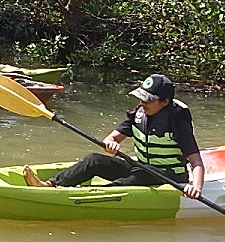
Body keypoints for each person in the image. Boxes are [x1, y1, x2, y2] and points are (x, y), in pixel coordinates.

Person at [23, 74, 205, 197]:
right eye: (141, 98)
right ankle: (49, 185)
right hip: (142, 168)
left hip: (168, 176)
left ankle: (90, 195)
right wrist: (111, 145)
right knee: (94, 159)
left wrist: (195, 187)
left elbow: (196, 163)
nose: (142, 103)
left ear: (165, 102)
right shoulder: (138, 114)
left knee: (131, 180)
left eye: (148, 100)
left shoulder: (177, 122)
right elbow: (111, 139)